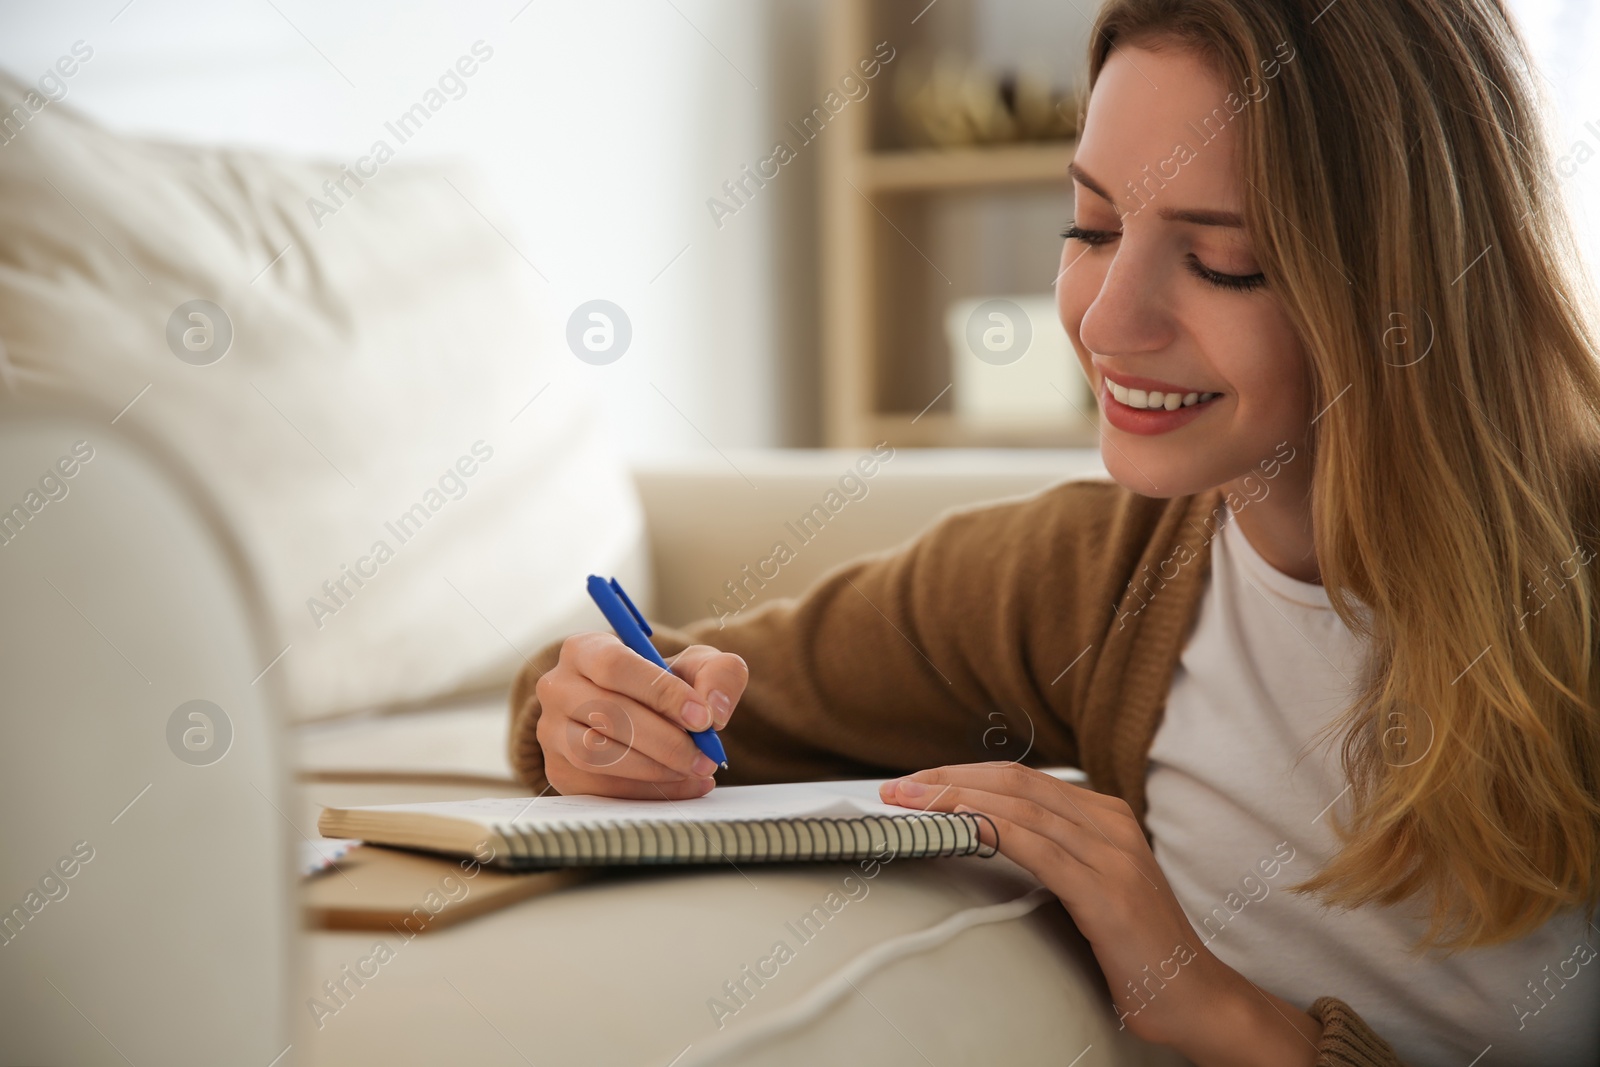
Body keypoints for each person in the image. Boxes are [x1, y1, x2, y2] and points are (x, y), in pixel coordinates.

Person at [508, 0, 1600, 1063]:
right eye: (1092, 225)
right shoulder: (1080, 580)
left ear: (1419, 285)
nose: (1108, 320)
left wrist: (1227, 1016)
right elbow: (666, 690)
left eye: (1223, 261)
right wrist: (605, 721)